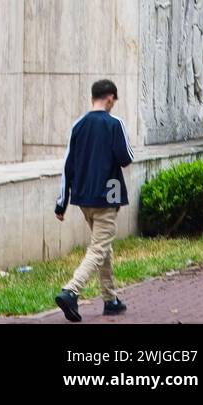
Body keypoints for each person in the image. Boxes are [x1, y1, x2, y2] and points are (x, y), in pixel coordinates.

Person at [54, 78, 134, 322]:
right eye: (114, 101)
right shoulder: (114, 124)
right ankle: (71, 290)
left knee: (103, 246)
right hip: (107, 195)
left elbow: (67, 165)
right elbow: (126, 157)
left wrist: (61, 202)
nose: (113, 105)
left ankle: (110, 299)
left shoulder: (78, 125)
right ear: (110, 98)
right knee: (99, 248)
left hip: (83, 197)